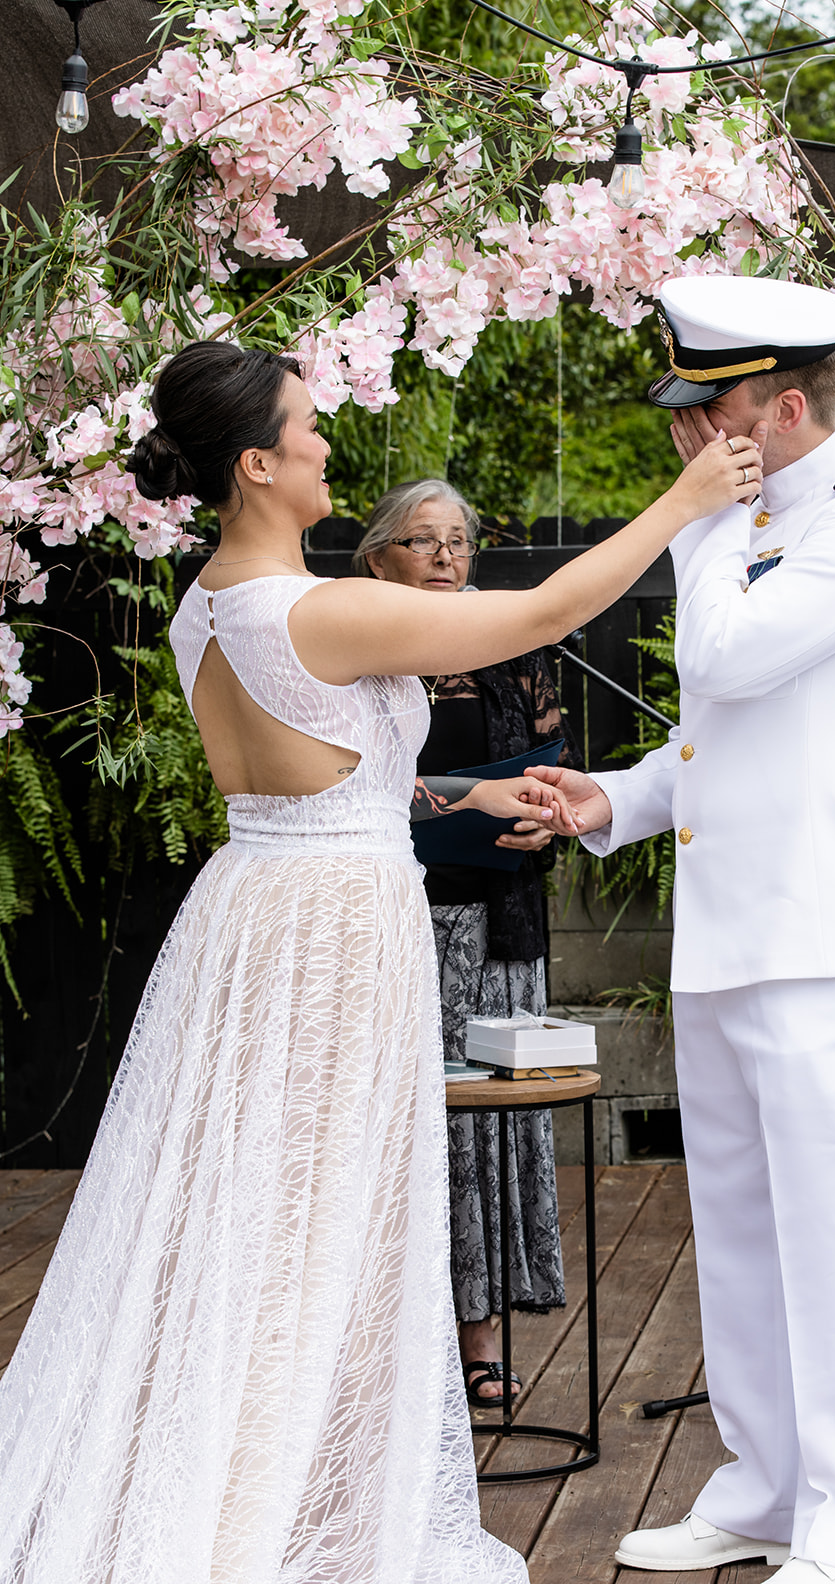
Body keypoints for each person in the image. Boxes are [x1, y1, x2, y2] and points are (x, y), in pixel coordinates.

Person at [0, 338, 763, 1584]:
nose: (325, 442)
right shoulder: (320, 606)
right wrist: (681, 502)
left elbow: (324, 771)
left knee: (253, 1213)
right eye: (305, 427)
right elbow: (536, 613)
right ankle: (258, 1513)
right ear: (256, 463)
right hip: (335, 935)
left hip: (257, 907)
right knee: (315, 1225)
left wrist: (463, 794)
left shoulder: (209, 605)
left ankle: (281, 1482)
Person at [530, 275, 835, 1584]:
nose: (674, 439)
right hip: (732, 942)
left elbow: (725, 661)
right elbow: (724, 737)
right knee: (743, 1233)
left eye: (695, 415)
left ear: (776, 406)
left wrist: (696, 524)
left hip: (824, 941)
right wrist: (616, 798)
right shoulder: (753, 520)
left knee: (830, 1240)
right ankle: (764, 1490)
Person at [355, 479, 580, 1406]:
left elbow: (557, 764)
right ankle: (399, 1348)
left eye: (457, 541)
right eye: (421, 540)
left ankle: (481, 1335)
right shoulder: (360, 660)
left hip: (499, 926)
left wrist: (546, 815)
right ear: (377, 561)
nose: (445, 557)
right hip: (398, 920)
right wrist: (462, 796)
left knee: (491, 1129)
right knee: (415, 1131)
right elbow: (353, 784)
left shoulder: (515, 652)